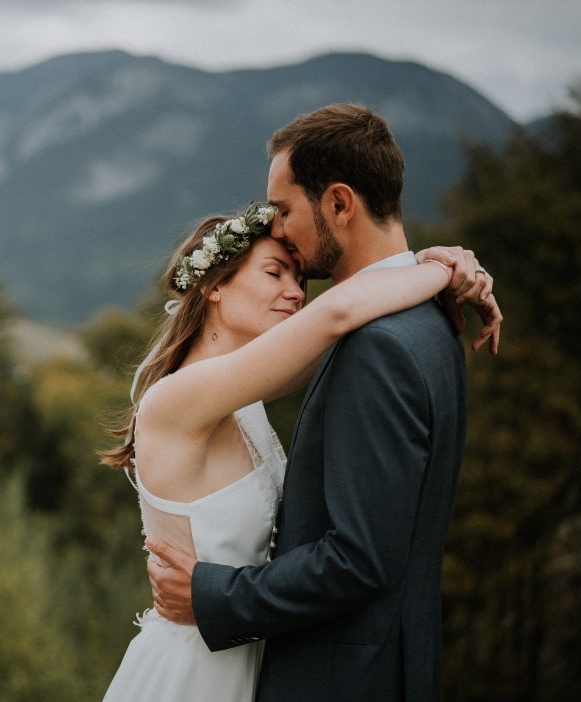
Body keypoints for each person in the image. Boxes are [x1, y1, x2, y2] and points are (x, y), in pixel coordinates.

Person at [144, 103, 501, 701]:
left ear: (338, 203)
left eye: (284, 211)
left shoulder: (379, 342)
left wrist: (438, 266)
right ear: (211, 288)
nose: (279, 229)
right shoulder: (427, 324)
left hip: (342, 677)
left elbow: (361, 558)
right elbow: (333, 313)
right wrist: (441, 266)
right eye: (272, 271)